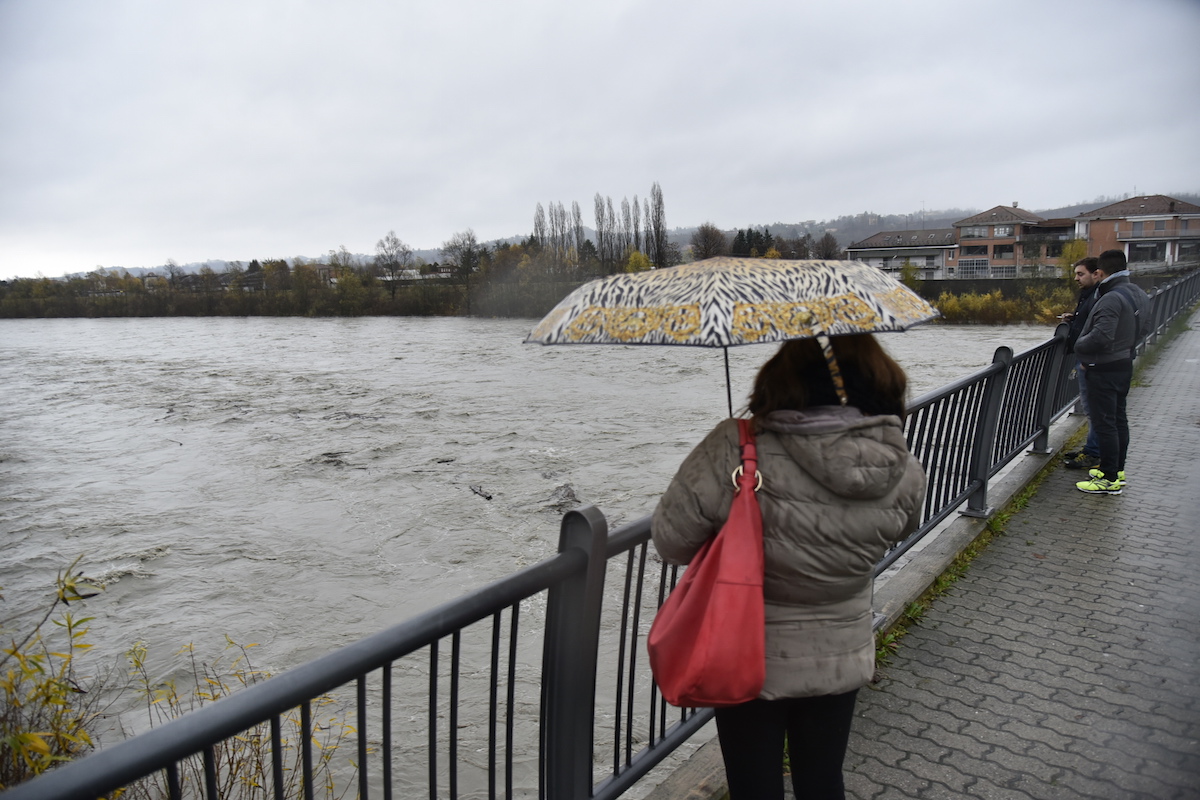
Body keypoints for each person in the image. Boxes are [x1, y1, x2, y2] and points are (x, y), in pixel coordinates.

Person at [651, 334, 926, 800]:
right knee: (822, 782)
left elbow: (671, 542)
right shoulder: (900, 464)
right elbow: (902, 527)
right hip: (840, 653)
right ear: (881, 383)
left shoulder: (735, 447)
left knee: (752, 786)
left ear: (778, 381)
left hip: (747, 652)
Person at [1072, 249, 1150, 495]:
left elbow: (1101, 337)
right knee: (1118, 420)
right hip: (1123, 363)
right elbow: (1145, 326)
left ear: (1100, 272)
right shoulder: (1137, 292)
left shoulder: (1111, 298)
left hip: (1103, 368)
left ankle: (1108, 479)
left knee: (1105, 424)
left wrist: (1079, 345)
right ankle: (1117, 470)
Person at [1061, 257, 1102, 470]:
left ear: (1096, 274)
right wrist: (1074, 318)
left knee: (1094, 409)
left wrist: (1086, 360)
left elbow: (1097, 328)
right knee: (1091, 408)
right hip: (1087, 358)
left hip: (1090, 361)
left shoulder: (1097, 296)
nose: (1076, 278)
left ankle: (1094, 453)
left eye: (1080, 274)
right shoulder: (1090, 295)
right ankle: (1091, 449)